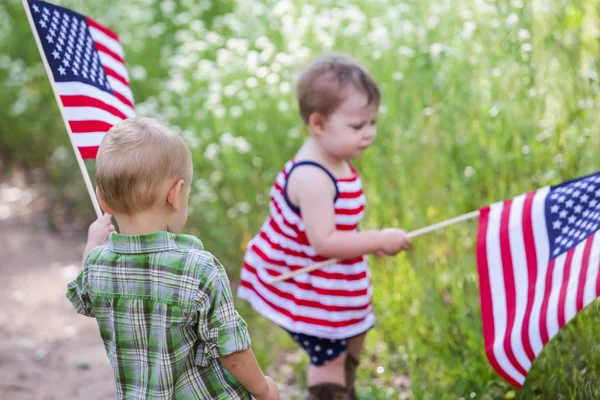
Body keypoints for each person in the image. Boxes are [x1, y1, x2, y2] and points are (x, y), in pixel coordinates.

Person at [67, 117, 280, 400]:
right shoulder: (200, 269)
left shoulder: (98, 266)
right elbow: (233, 351)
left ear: (102, 200)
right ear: (175, 195)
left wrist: (93, 243)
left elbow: (83, 296)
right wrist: (264, 390)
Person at [238, 53, 412, 399]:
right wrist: (379, 238)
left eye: (373, 122)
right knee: (329, 353)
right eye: (358, 126)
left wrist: (364, 242)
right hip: (310, 287)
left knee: (353, 339)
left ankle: (344, 387)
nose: (369, 134)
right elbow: (324, 242)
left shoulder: (336, 159)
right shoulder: (312, 177)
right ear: (317, 124)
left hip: (335, 281)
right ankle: (329, 390)